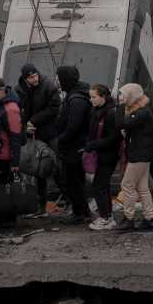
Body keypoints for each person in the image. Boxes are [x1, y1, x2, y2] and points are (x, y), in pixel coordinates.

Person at [17, 63, 62, 213]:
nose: (34, 79)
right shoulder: (22, 89)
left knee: (55, 166)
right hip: (33, 134)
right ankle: (40, 206)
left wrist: (34, 121)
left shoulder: (48, 86)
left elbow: (54, 108)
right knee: (38, 170)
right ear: (25, 79)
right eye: (31, 77)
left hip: (49, 133)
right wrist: (25, 127)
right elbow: (23, 111)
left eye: (35, 75)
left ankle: (69, 201)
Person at [0, 79, 25, 229]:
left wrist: (15, 162)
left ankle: (7, 220)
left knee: (2, 189)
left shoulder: (11, 108)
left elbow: (16, 136)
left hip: (4, 156)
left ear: (1, 90)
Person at [115, 82, 153, 231]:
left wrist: (120, 107)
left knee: (127, 185)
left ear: (131, 96)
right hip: (143, 155)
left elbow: (122, 123)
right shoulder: (141, 111)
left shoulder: (141, 113)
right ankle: (149, 218)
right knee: (142, 188)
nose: (120, 97)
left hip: (139, 155)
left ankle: (129, 218)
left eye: (123, 95)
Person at [54, 65, 92, 225]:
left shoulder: (76, 99)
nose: (56, 81)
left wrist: (61, 138)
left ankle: (80, 212)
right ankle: (82, 211)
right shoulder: (76, 94)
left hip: (74, 147)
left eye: (59, 78)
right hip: (73, 145)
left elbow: (74, 126)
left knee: (73, 180)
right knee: (74, 180)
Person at [84, 83, 122, 231]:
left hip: (108, 155)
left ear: (103, 97)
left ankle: (105, 217)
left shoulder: (110, 113)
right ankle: (107, 216)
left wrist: (94, 144)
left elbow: (113, 138)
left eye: (94, 97)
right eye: (90, 97)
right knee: (102, 186)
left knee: (99, 186)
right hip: (100, 153)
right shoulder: (98, 111)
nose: (91, 100)